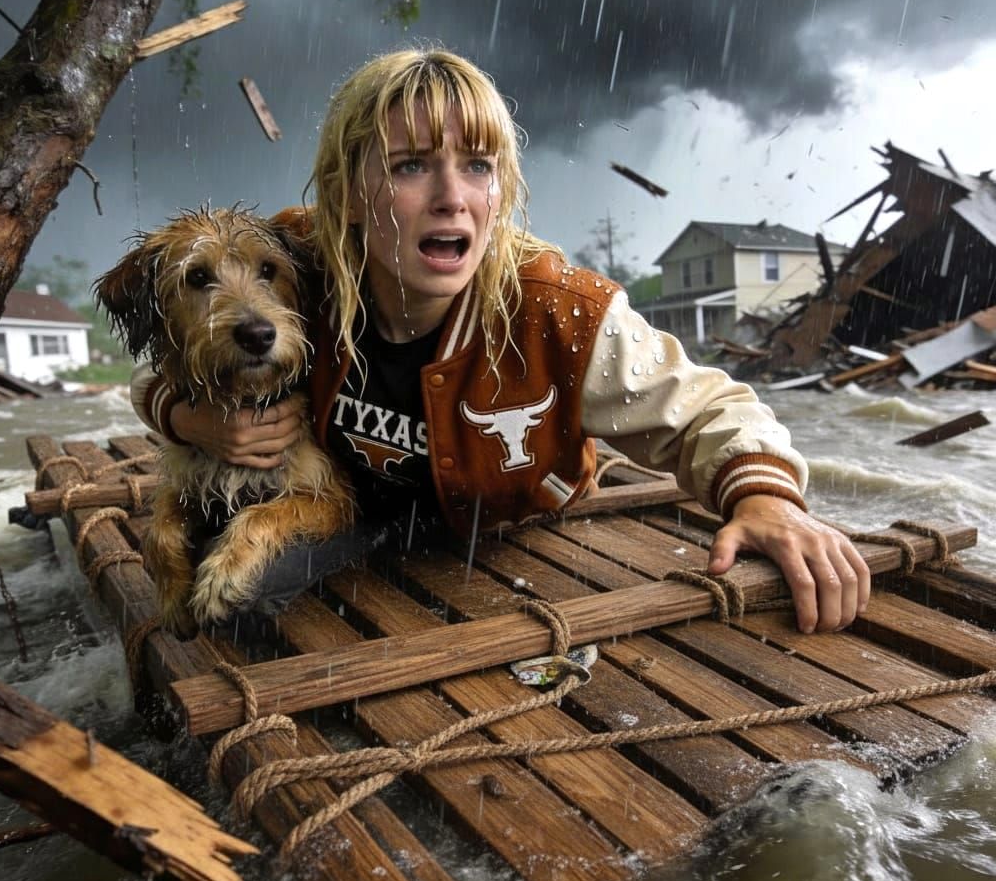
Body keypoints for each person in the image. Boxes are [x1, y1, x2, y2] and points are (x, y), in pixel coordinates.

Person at [130, 47, 870, 634]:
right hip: (353, 514)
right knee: (232, 597)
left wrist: (770, 500)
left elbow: (711, 408)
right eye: (412, 165)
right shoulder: (294, 265)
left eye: (477, 167)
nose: (453, 195)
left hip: (504, 534)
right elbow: (172, 352)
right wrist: (187, 419)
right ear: (350, 194)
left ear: (498, 190)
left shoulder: (554, 308)